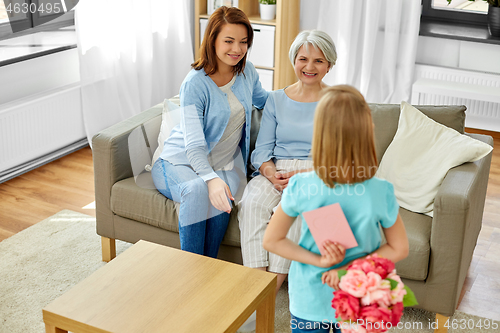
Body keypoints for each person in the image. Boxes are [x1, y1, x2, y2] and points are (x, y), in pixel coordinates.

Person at [262, 85, 409, 333]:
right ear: (367, 132)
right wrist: (350, 269)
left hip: (309, 296)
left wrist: (321, 261)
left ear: (319, 134)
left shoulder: (301, 186)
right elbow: (399, 247)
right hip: (361, 298)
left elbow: (272, 241)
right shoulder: (380, 191)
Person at [151, 6, 268, 258]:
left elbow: (266, 103)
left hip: (225, 166)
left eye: (243, 42)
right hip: (177, 162)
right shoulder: (195, 84)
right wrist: (210, 179)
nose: (237, 49)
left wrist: (303, 98)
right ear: (212, 40)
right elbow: (193, 145)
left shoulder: (247, 73)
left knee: (222, 196)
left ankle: (207, 271)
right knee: (196, 189)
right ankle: (190, 272)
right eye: (229, 41)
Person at [238, 30, 337, 295]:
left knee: (291, 211)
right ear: (294, 60)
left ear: (329, 65)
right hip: (275, 170)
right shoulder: (276, 99)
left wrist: (307, 174)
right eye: (303, 59)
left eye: (318, 60)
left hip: (315, 174)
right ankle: (254, 289)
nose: (309, 66)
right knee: (252, 202)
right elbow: (262, 151)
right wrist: (270, 172)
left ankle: (266, 295)